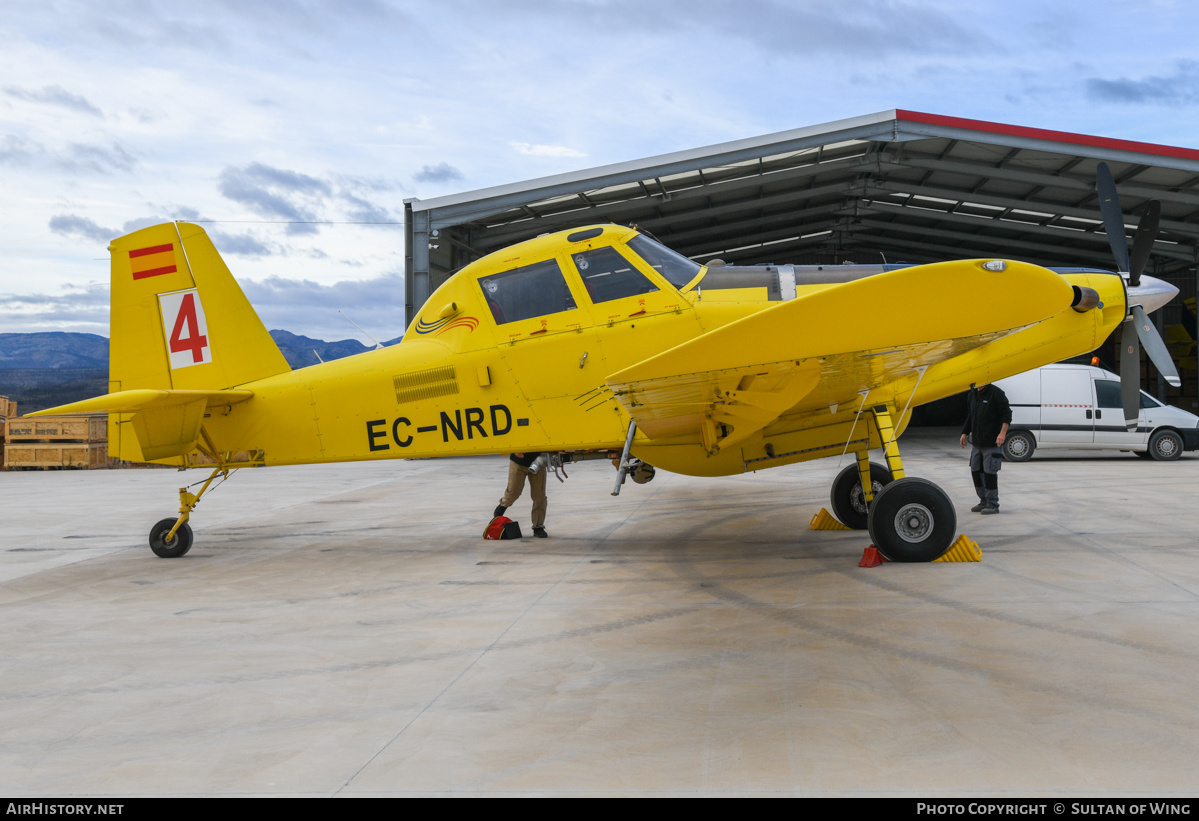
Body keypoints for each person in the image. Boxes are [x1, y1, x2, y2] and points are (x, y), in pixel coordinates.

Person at [959, 382, 1012, 514]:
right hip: (977, 442)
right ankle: (983, 501)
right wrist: (964, 433)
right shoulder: (972, 394)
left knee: (989, 473)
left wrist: (1002, 433)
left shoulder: (997, 393)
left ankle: (993, 504)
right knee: (975, 471)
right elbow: (971, 416)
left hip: (992, 442)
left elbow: (1007, 415)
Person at [493, 452, 548, 537]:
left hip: (539, 462)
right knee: (513, 493)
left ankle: (538, 527)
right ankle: (503, 505)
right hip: (518, 463)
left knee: (539, 496)